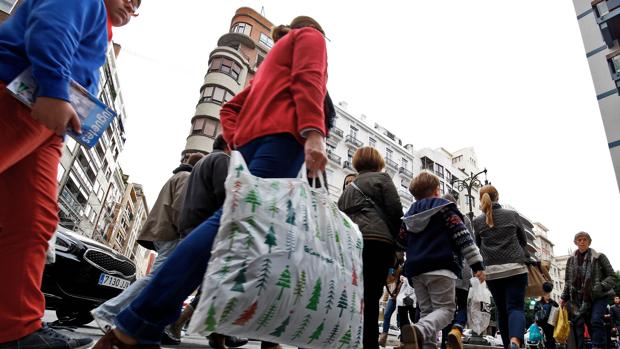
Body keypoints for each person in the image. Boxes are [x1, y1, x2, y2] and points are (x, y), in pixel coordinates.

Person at [92, 15, 329, 349]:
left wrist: (240, 141)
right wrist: (314, 133)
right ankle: (134, 324)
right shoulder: (310, 38)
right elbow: (310, 80)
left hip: (254, 148)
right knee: (227, 226)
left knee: (239, 232)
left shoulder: (268, 65)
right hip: (285, 141)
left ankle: (144, 326)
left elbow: (230, 108)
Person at [0, 0, 139, 348]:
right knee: (29, 220)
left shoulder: (99, 24)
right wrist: (55, 88)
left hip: (48, 120)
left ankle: (15, 329)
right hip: (21, 95)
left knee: (34, 220)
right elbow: (53, 26)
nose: (135, 5)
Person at [91, 153, 203, 335]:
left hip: (165, 233)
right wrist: (186, 235)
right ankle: (107, 312)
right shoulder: (187, 178)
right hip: (171, 234)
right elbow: (181, 209)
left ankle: (136, 320)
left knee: (161, 280)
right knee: (155, 279)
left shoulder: (178, 176)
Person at [162, 135, 246, 349]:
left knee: (208, 281)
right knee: (215, 281)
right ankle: (172, 325)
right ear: (230, 146)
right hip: (205, 226)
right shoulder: (222, 161)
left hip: (192, 225)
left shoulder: (202, 162)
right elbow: (226, 195)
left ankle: (216, 334)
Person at [398, 171, 485, 349]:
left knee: (427, 311)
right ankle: (420, 330)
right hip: (441, 266)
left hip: (416, 271)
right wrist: (477, 264)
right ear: (437, 191)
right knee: (446, 310)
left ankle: (427, 344)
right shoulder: (445, 209)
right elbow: (463, 237)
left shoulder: (408, 216)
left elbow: (400, 241)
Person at [338, 146, 403, 349]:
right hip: (378, 242)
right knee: (372, 295)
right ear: (378, 162)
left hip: (351, 245)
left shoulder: (348, 190)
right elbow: (396, 212)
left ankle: (350, 340)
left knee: (355, 293)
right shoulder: (382, 179)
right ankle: (369, 344)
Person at [473, 185, 529, 349]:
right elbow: (523, 241)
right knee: (515, 308)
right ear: (498, 196)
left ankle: (507, 345)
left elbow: (478, 245)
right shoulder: (512, 215)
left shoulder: (477, 221)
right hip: (516, 269)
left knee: (502, 311)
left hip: (493, 273)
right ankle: (515, 341)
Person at [560, 232, 616, 349]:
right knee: (585, 325)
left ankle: (597, 346)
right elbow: (568, 281)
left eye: (584, 239)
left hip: (598, 296)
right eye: (579, 240)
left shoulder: (599, 257)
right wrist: (564, 298)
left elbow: (612, 276)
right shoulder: (570, 261)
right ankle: (602, 345)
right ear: (575, 242)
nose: (582, 241)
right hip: (580, 299)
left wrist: (600, 286)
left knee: (595, 320)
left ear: (589, 242)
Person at [440, 193, 473, 349]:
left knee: (447, 309)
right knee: (463, 306)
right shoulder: (464, 219)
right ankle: (458, 328)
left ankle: (444, 342)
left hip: (446, 269)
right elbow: (470, 244)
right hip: (463, 269)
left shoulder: (438, 218)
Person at [380, 261, 404, 347]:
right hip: (392, 298)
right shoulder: (391, 273)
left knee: (401, 318)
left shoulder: (402, 271)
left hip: (402, 297)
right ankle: (383, 337)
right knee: (386, 315)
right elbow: (388, 285)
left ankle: (403, 339)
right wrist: (385, 299)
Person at [396, 275, 420, 348]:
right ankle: (404, 342)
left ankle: (417, 340)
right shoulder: (403, 266)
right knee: (403, 321)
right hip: (402, 297)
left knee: (414, 318)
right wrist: (400, 276)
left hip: (414, 296)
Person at [534, 282, 559, 349]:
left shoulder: (554, 303)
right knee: (541, 344)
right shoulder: (538, 304)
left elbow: (557, 316)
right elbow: (536, 317)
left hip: (551, 329)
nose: (548, 295)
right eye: (546, 293)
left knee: (551, 344)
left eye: (549, 293)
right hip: (541, 329)